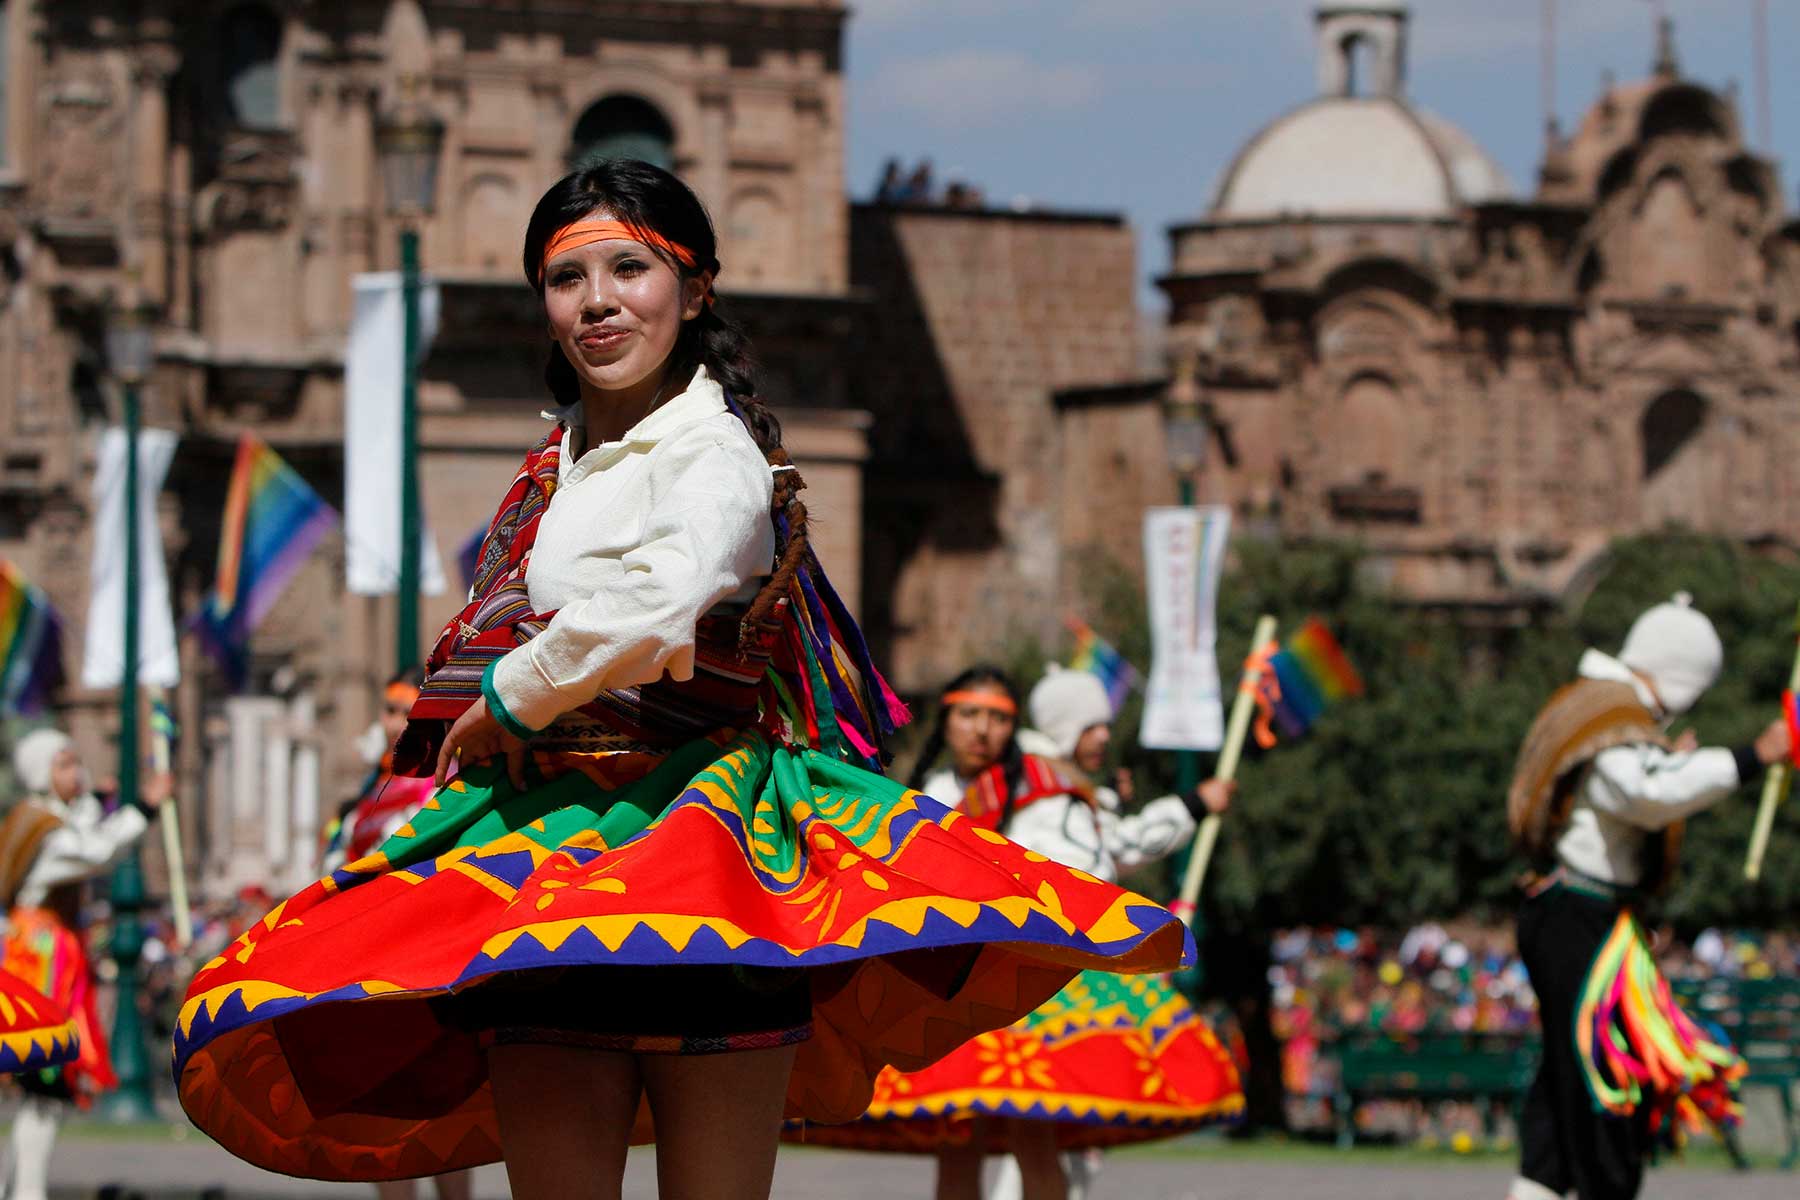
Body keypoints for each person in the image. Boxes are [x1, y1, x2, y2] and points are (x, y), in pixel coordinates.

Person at [172, 161, 1194, 1200]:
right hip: (544, 847)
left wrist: (513, 696)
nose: (599, 300)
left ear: (695, 288)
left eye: (630, 267)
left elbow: (667, 598)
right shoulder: (554, 467)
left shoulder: (715, 449)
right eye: (568, 279)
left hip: (699, 853)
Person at [803, 666, 1244, 1200]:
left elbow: (1094, 867)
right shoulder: (922, 795)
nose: (982, 730)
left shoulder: (1047, 791)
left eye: (998, 717)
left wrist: (1185, 809)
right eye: (970, 714)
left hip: (1026, 988)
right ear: (947, 720)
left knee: (1033, 1133)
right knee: (956, 1139)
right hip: (946, 980)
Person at [1505, 593, 1789, 1200]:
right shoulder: (1611, 716)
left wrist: (1671, 763)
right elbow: (1644, 794)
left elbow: (1636, 783)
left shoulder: (1599, 709)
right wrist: (1753, 756)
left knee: (1564, 1085)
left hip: (1579, 918)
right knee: (1606, 1086)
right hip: (1578, 920)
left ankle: (1541, 1188)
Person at [2, 727, 164, 1200]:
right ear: (40, 772)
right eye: (64, 764)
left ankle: (21, 1190)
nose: (75, 772)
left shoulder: (44, 820)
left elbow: (86, 832)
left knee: (43, 1094)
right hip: (40, 965)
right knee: (43, 1086)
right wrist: (143, 810)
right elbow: (93, 851)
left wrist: (98, 800)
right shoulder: (40, 827)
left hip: (47, 959)